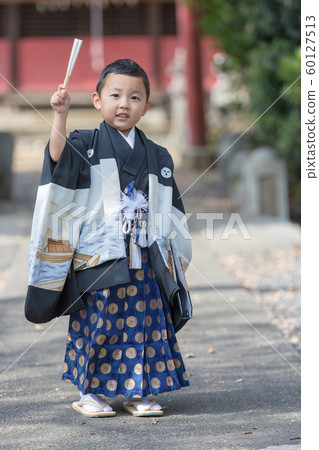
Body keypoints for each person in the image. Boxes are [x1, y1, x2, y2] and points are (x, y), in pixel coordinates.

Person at [25, 59, 192, 417]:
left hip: (145, 256)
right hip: (100, 254)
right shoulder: (84, 143)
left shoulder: (158, 154)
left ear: (146, 107)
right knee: (99, 321)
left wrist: (177, 261)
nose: (124, 104)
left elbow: (172, 210)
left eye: (134, 97)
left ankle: (140, 392)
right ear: (98, 100)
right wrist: (60, 116)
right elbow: (57, 161)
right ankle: (92, 393)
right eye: (115, 94)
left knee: (148, 322)